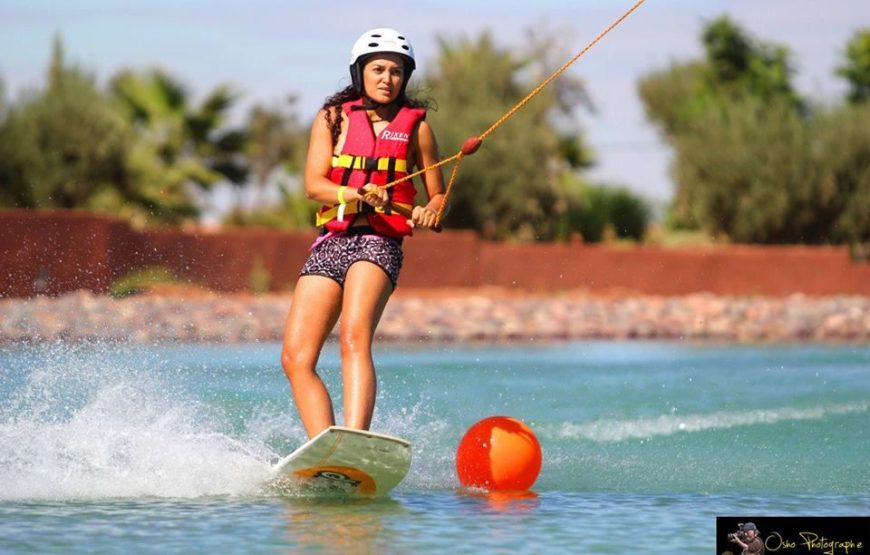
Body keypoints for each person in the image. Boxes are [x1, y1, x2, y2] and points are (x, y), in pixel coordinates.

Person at [281, 28, 445, 439]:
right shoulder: (333, 118)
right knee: (295, 358)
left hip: (379, 243)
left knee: (354, 335)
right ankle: (326, 447)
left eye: (396, 71)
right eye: (378, 69)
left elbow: (438, 194)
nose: (387, 78)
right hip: (332, 242)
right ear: (360, 73)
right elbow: (313, 185)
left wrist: (430, 211)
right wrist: (355, 192)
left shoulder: (417, 128)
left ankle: (356, 440)